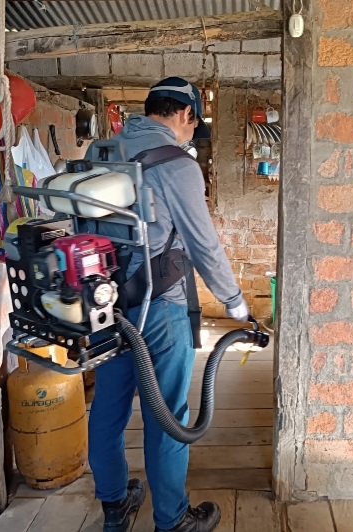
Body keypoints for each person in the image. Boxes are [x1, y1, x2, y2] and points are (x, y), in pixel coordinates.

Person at [88, 77, 250, 532]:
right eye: (194, 123)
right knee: (168, 416)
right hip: (158, 307)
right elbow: (203, 244)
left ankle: (115, 506)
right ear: (184, 114)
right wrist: (235, 303)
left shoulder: (102, 151)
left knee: (108, 408)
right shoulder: (176, 164)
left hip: (105, 304)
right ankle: (172, 519)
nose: (191, 131)